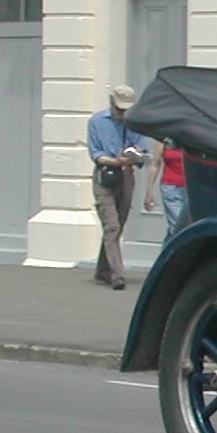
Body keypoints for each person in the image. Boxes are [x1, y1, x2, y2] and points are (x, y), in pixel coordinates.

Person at [87, 84, 149, 290]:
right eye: (119, 108)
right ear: (111, 102)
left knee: (117, 225)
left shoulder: (134, 123)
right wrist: (117, 161)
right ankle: (117, 275)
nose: (122, 113)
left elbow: (142, 148)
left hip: (126, 176)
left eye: (126, 109)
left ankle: (103, 269)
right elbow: (96, 154)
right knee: (111, 225)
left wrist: (135, 155)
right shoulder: (97, 121)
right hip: (105, 176)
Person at [143, 138, 188, 243]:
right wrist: (149, 191)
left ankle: (166, 255)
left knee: (182, 226)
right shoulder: (164, 139)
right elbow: (155, 164)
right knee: (178, 227)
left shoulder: (192, 136)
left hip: (191, 187)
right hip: (170, 187)